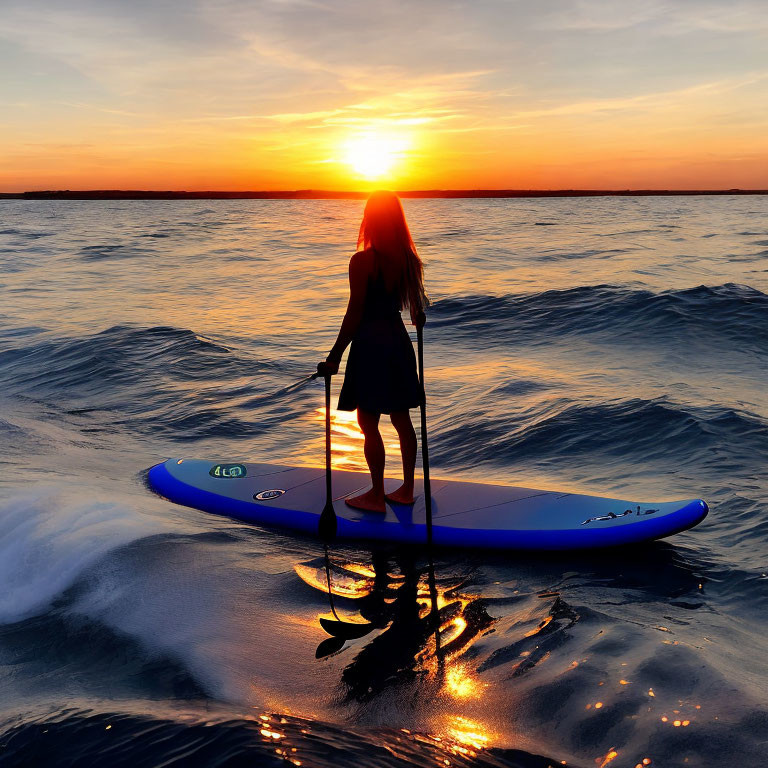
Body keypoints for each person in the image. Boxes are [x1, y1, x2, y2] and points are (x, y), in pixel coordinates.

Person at [317, 190, 428, 513]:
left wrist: (335, 356)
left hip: (371, 342)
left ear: (370, 219)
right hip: (398, 340)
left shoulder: (363, 260)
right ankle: (406, 488)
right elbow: (416, 313)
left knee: (368, 419)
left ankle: (377, 494)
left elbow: (355, 312)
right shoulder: (409, 260)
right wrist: (419, 318)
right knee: (402, 417)